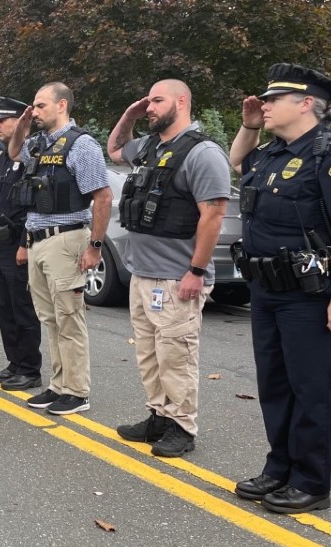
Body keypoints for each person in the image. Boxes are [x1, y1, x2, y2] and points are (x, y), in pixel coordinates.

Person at [228, 64, 331, 514]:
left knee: (311, 387)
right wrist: (249, 126)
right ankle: (280, 468)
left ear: (306, 103)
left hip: (310, 295)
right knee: (274, 384)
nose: (264, 104)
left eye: (274, 100)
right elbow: (237, 161)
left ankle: (311, 481)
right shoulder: (272, 154)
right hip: (267, 290)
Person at [106, 79, 232, 458]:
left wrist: (196, 270)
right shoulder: (148, 147)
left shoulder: (203, 153)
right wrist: (129, 114)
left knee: (176, 355)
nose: (150, 108)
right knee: (149, 353)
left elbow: (213, 215)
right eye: (147, 102)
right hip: (143, 272)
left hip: (177, 276)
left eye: (157, 101)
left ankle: (182, 426)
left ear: (181, 101)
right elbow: (114, 149)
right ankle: (159, 415)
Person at [6, 82, 113, 414]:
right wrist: (23, 123)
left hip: (67, 237)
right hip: (39, 239)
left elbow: (103, 197)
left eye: (40, 106)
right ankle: (58, 385)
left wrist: (95, 246)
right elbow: (13, 152)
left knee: (69, 317)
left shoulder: (82, 145)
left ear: (62, 105)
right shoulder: (38, 143)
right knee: (50, 318)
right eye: (33, 107)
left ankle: (77, 391)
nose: (35, 112)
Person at [0, 97, 43, 392]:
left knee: (22, 308)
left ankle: (30, 368)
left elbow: (32, 207)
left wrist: (25, 244)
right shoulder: (6, 160)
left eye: (2, 121)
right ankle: (14, 363)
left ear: (20, 122)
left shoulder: (30, 155)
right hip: (0, 244)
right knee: (4, 307)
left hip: (19, 243)